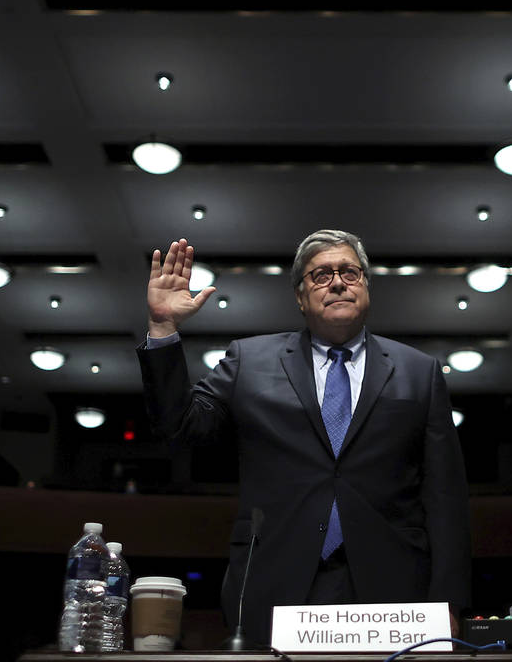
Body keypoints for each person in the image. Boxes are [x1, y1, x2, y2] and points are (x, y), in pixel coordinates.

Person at [138, 231, 472, 647]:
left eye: (350, 272)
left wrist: (449, 601)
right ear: (300, 296)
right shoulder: (249, 360)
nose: (337, 282)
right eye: (320, 275)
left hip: (394, 588)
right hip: (275, 581)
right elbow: (179, 426)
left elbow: (446, 497)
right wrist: (163, 328)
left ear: (366, 285)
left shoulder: (419, 372)